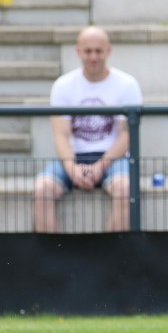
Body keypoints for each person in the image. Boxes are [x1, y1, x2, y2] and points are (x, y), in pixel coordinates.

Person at [34, 26, 143, 233]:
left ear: (108, 51)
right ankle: (53, 261)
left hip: (114, 159)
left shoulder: (127, 85)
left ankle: (112, 260)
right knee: (42, 189)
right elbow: (61, 135)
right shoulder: (63, 85)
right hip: (73, 157)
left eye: (99, 51)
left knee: (125, 189)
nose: (93, 57)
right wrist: (73, 169)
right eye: (88, 51)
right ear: (78, 51)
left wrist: (100, 166)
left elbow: (126, 136)